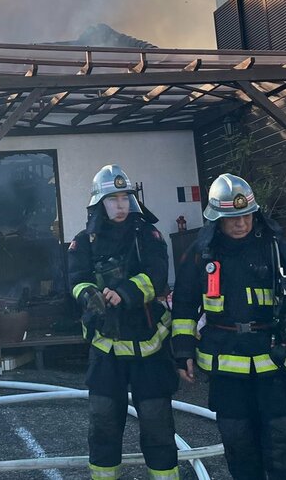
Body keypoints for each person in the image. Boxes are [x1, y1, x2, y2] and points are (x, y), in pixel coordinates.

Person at [171, 173, 286, 479]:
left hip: (278, 365)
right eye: (232, 217)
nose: (240, 223)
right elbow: (183, 305)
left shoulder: (275, 248)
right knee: (239, 447)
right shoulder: (201, 254)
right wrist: (182, 351)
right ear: (217, 218)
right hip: (227, 371)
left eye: (245, 215)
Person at [69, 164, 179, 479]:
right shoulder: (83, 241)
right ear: (99, 203)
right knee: (103, 424)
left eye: (124, 197)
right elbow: (75, 279)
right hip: (107, 350)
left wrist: (124, 292)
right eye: (112, 198)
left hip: (149, 348)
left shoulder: (147, 234)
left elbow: (157, 275)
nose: (120, 205)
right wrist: (90, 295)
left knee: (157, 424)